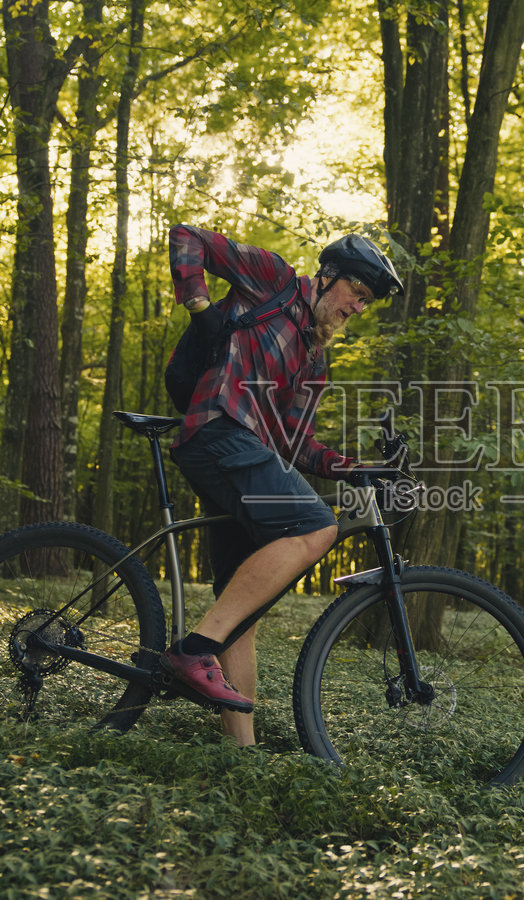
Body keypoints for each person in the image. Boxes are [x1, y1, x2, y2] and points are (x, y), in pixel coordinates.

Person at [161, 223, 403, 746]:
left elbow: (297, 446)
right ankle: (193, 651)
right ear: (329, 276)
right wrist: (200, 309)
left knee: (239, 615)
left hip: (248, 459)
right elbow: (187, 238)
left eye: (366, 303)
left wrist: (354, 468)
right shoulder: (274, 280)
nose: (358, 308)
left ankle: (241, 754)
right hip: (218, 430)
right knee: (317, 526)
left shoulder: (315, 360)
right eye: (357, 292)